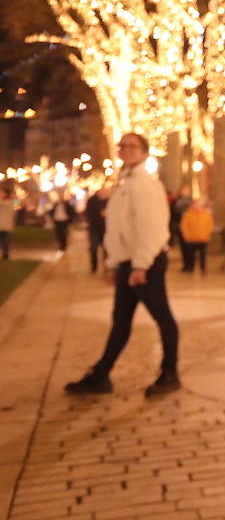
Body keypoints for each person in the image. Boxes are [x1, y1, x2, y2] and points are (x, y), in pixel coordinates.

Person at [64, 134, 180, 398]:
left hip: (145, 263)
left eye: (132, 146)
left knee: (163, 317)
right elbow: (119, 229)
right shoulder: (126, 183)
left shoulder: (145, 185)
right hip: (131, 263)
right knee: (121, 322)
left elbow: (149, 228)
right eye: (122, 146)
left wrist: (140, 266)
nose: (125, 150)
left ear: (144, 153)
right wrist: (115, 264)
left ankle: (170, 373)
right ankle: (101, 374)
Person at [178, 198, 213, 275]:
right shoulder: (188, 214)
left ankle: (203, 268)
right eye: (196, 205)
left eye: (199, 205)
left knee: (202, 255)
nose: (198, 206)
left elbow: (209, 225)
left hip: (202, 238)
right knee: (191, 255)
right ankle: (190, 267)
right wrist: (186, 235)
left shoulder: (206, 214)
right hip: (191, 239)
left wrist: (207, 234)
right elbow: (184, 226)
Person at [84, 186, 108, 273]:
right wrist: (99, 214)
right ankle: (94, 266)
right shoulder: (91, 201)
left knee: (106, 248)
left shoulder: (108, 200)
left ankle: (106, 267)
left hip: (105, 228)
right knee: (93, 247)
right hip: (94, 228)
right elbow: (88, 214)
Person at [170, 186, 192, 269]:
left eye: (187, 190)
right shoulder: (176, 202)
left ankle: (190, 264)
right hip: (179, 225)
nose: (185, 192)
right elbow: (173, 214)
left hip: (190, 227)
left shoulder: (191, 201)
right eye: (184, 190)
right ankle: (186, 264)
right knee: (183, 246)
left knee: (189, 246)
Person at [0, 185, 14, 260]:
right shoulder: (9, 201)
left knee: (4, 240)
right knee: (4, 239)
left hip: (3, 225)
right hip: (5, 224)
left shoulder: (6, 202)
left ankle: (5, 254)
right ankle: (5, 254)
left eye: (2, 192)